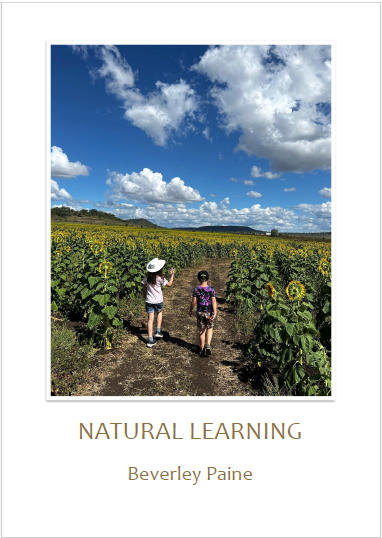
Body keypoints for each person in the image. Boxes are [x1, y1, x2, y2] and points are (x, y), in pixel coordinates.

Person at [142, 258, 174, 348]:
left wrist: (145, 296)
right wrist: (172, 275)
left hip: (149, 300)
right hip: (158, 300)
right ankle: (158, 331)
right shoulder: (160, 278)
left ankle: (150, 340)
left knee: (150, 320)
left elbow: (143, 287)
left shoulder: (147, 276)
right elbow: (170, 284)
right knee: (159, 312)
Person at [189, 270, 217, 356]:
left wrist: (190, 310)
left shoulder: (196, 289)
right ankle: (208, 345)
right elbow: (213, 301)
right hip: (209, 312)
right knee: (209, 327)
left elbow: (193, 302)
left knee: (202, 330)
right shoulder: (211, 289)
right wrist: (215, 312)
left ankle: (202, 349)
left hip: (200, 312)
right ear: (207, 279)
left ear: (198, 279)